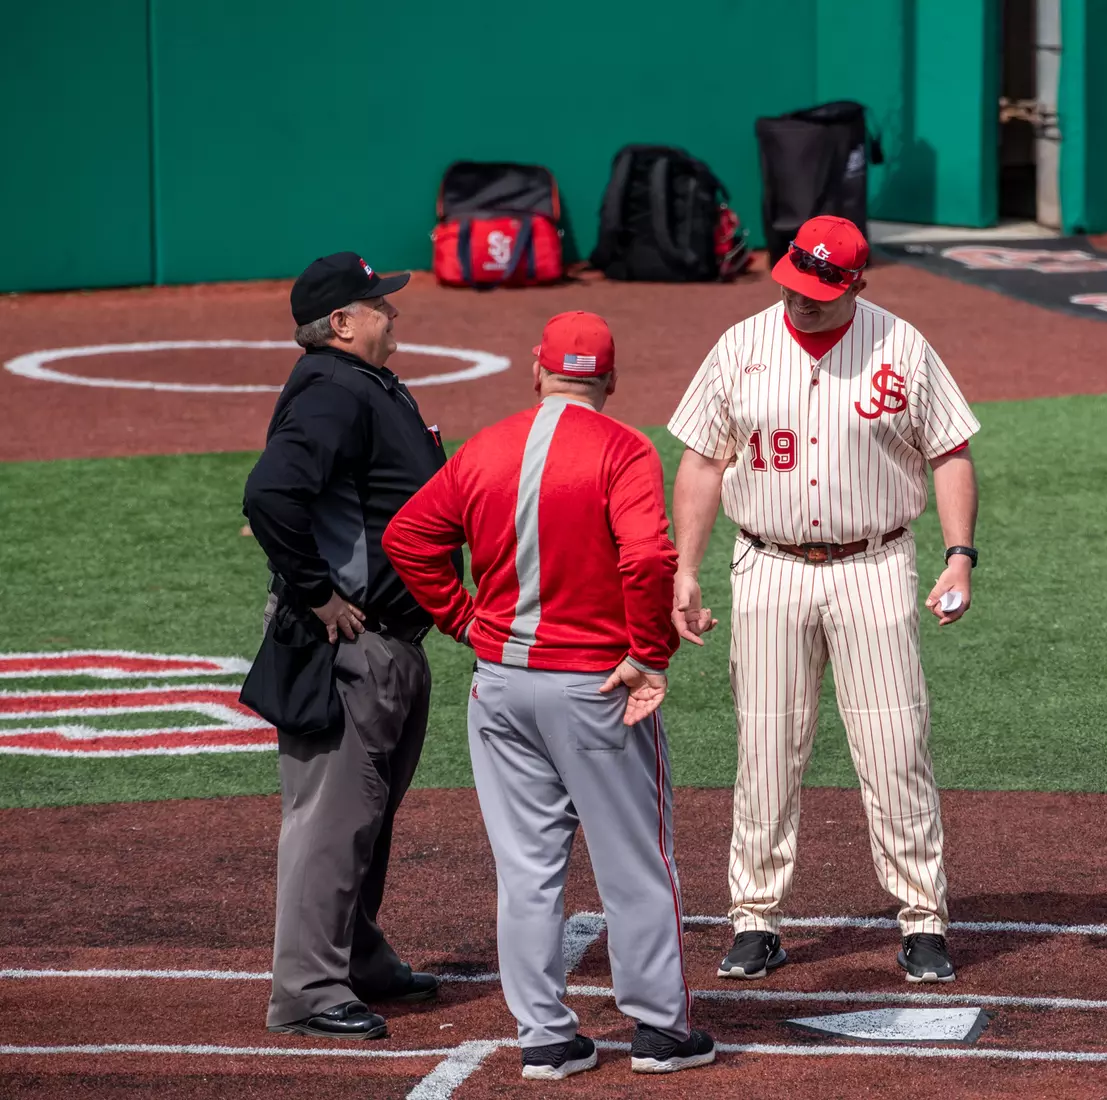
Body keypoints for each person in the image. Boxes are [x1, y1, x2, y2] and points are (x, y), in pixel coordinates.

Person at [382, 312, 714, 1080]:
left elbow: (408, 537)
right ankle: (661, 1032)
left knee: (527, 870)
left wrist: (461, 618)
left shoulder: (485, 447)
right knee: (635, 863)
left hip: (500, 688)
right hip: (596, 688)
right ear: (611, 379)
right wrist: (648, 655)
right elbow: (648, 559)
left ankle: (545, 1039)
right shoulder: (623, 449)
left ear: (538, 369)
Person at [668, 215, 980, 985]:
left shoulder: (902, 347)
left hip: (873, 566)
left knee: (894, 747)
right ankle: (754, 919)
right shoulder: (740, 346)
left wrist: (960, 556)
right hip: (767, 566)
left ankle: (923, 918)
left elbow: (950, 451)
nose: (801, 300)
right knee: (766, 749)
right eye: (793, 284)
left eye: (818, 289)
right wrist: (686, 568)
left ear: (855, 284)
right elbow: (702, 461)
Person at [244, 252, 449, 1040]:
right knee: (332, 821)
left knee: (364, 816)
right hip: (348, 649)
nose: (392, 314)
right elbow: (271, 494)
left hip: (390, 643)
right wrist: (318, 593)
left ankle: (356, 955)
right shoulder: (332, 389)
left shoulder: (365, 384)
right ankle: (306, 989)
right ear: (340, 323)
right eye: (378, 305)